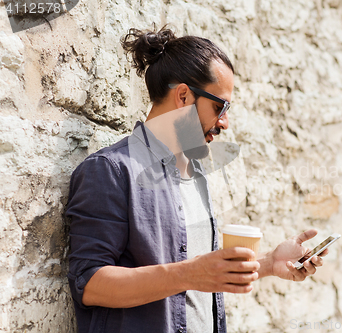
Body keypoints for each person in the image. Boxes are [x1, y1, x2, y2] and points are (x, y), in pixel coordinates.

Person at [65, 24, 328, 333]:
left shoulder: (196, 174)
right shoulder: (111, 170)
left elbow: (200, 275)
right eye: (220, 107)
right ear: (184, 96)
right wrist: (187, 274)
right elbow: (90, 284)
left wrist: (269, 263)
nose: (225, 123)